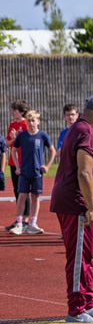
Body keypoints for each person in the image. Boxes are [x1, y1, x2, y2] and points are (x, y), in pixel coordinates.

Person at [50, 95, 93, 323]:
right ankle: (76, 309)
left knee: (86, 255)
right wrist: (89, 206)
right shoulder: (87, 132)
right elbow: (84, 172)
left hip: (77, 203)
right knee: (79, 256)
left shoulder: (79, 129)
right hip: (77, 204)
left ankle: (88, 303)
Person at [9, 110, 56, 235]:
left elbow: (52, 151)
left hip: (37, 172)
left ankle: (33, 224)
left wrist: (48, 166)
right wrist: (17, 167)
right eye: (29, 121)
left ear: (38, 121)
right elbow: (13, 150)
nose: (31, 123)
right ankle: (19, 223)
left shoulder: (43, 136)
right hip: (24, 172)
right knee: (22, 196)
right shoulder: (22, 136)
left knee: (35, 197)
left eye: (33, 120)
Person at [6, 99, 30, 230]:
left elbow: (30, 142)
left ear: (21, 112)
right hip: (13, 162)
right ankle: (19, 219)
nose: (12, 112)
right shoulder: (12, 124)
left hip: (24, 162)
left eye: (14, 110)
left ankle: (25, 220)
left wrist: (17, 138)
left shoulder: (27, 124)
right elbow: (7, 144)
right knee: (17, 190)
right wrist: (13, 139)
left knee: (24, 191)